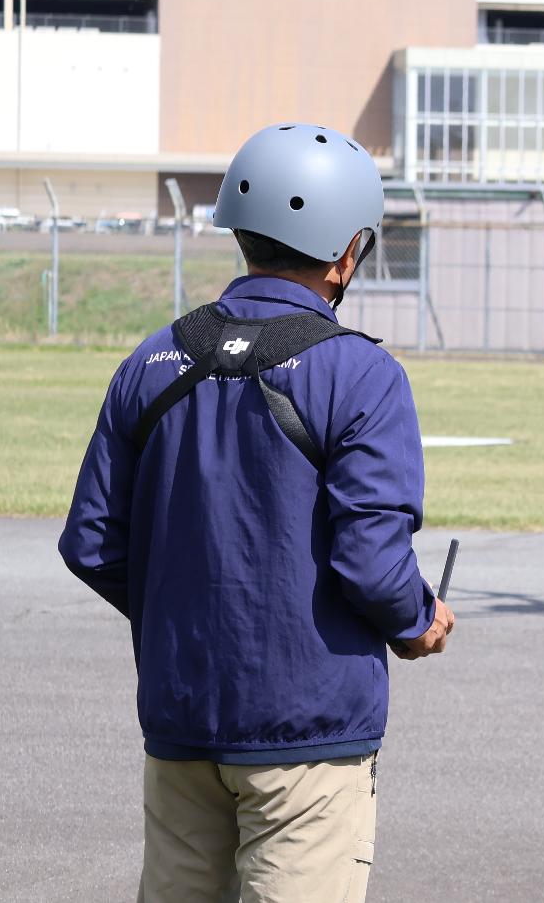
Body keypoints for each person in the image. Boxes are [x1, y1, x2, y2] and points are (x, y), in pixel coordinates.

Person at [60, 122, 455, 903]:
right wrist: (417, 620)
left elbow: (93, 540)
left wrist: (185, 606)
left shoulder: (152, 359)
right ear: (348, 251)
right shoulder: (363, 374)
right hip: (307, 735)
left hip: (180, 721)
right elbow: (371, 561)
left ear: (241, 232)